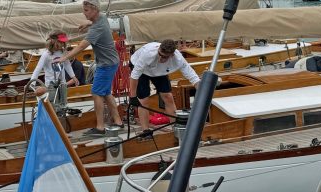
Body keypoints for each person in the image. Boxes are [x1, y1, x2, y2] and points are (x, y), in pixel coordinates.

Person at [55, 0, 123, 137]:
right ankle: (118, 122)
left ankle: (100, 127)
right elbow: (98, 21)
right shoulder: (101, 18)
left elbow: (81, 47)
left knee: (96, 93)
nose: (83, 13)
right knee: (105, 92)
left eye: (86, 10)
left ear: (95, 10)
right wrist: (88, 23)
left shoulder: (96, 29)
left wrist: (64, 58)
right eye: (83, 10)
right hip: (111, 62)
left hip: (106, 64)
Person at [127, 40, 200, 131]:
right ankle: (145, 131)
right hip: (142, 69)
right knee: (143, 100)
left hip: (159, 71)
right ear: (159, 49)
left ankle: (176, 128)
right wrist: (133, 96)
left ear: (172, 55)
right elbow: (134, 76)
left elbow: (191, 75)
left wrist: (200, 89)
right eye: (160, 54)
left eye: (165, 57)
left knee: (168, 97)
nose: (161, 58)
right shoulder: (147, 54)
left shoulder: (178, 58)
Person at [30, 31, 78, 97]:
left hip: (62, 82)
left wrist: (73, 77)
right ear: (53, 41)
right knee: (52, 100)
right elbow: (38, 68)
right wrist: (32, 83)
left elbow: (67, 64)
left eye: (63, 42)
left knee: (63, 101)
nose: (62, 44)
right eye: (60, 42)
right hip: (50, 83)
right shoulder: (46, 54)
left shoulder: (63, 52)